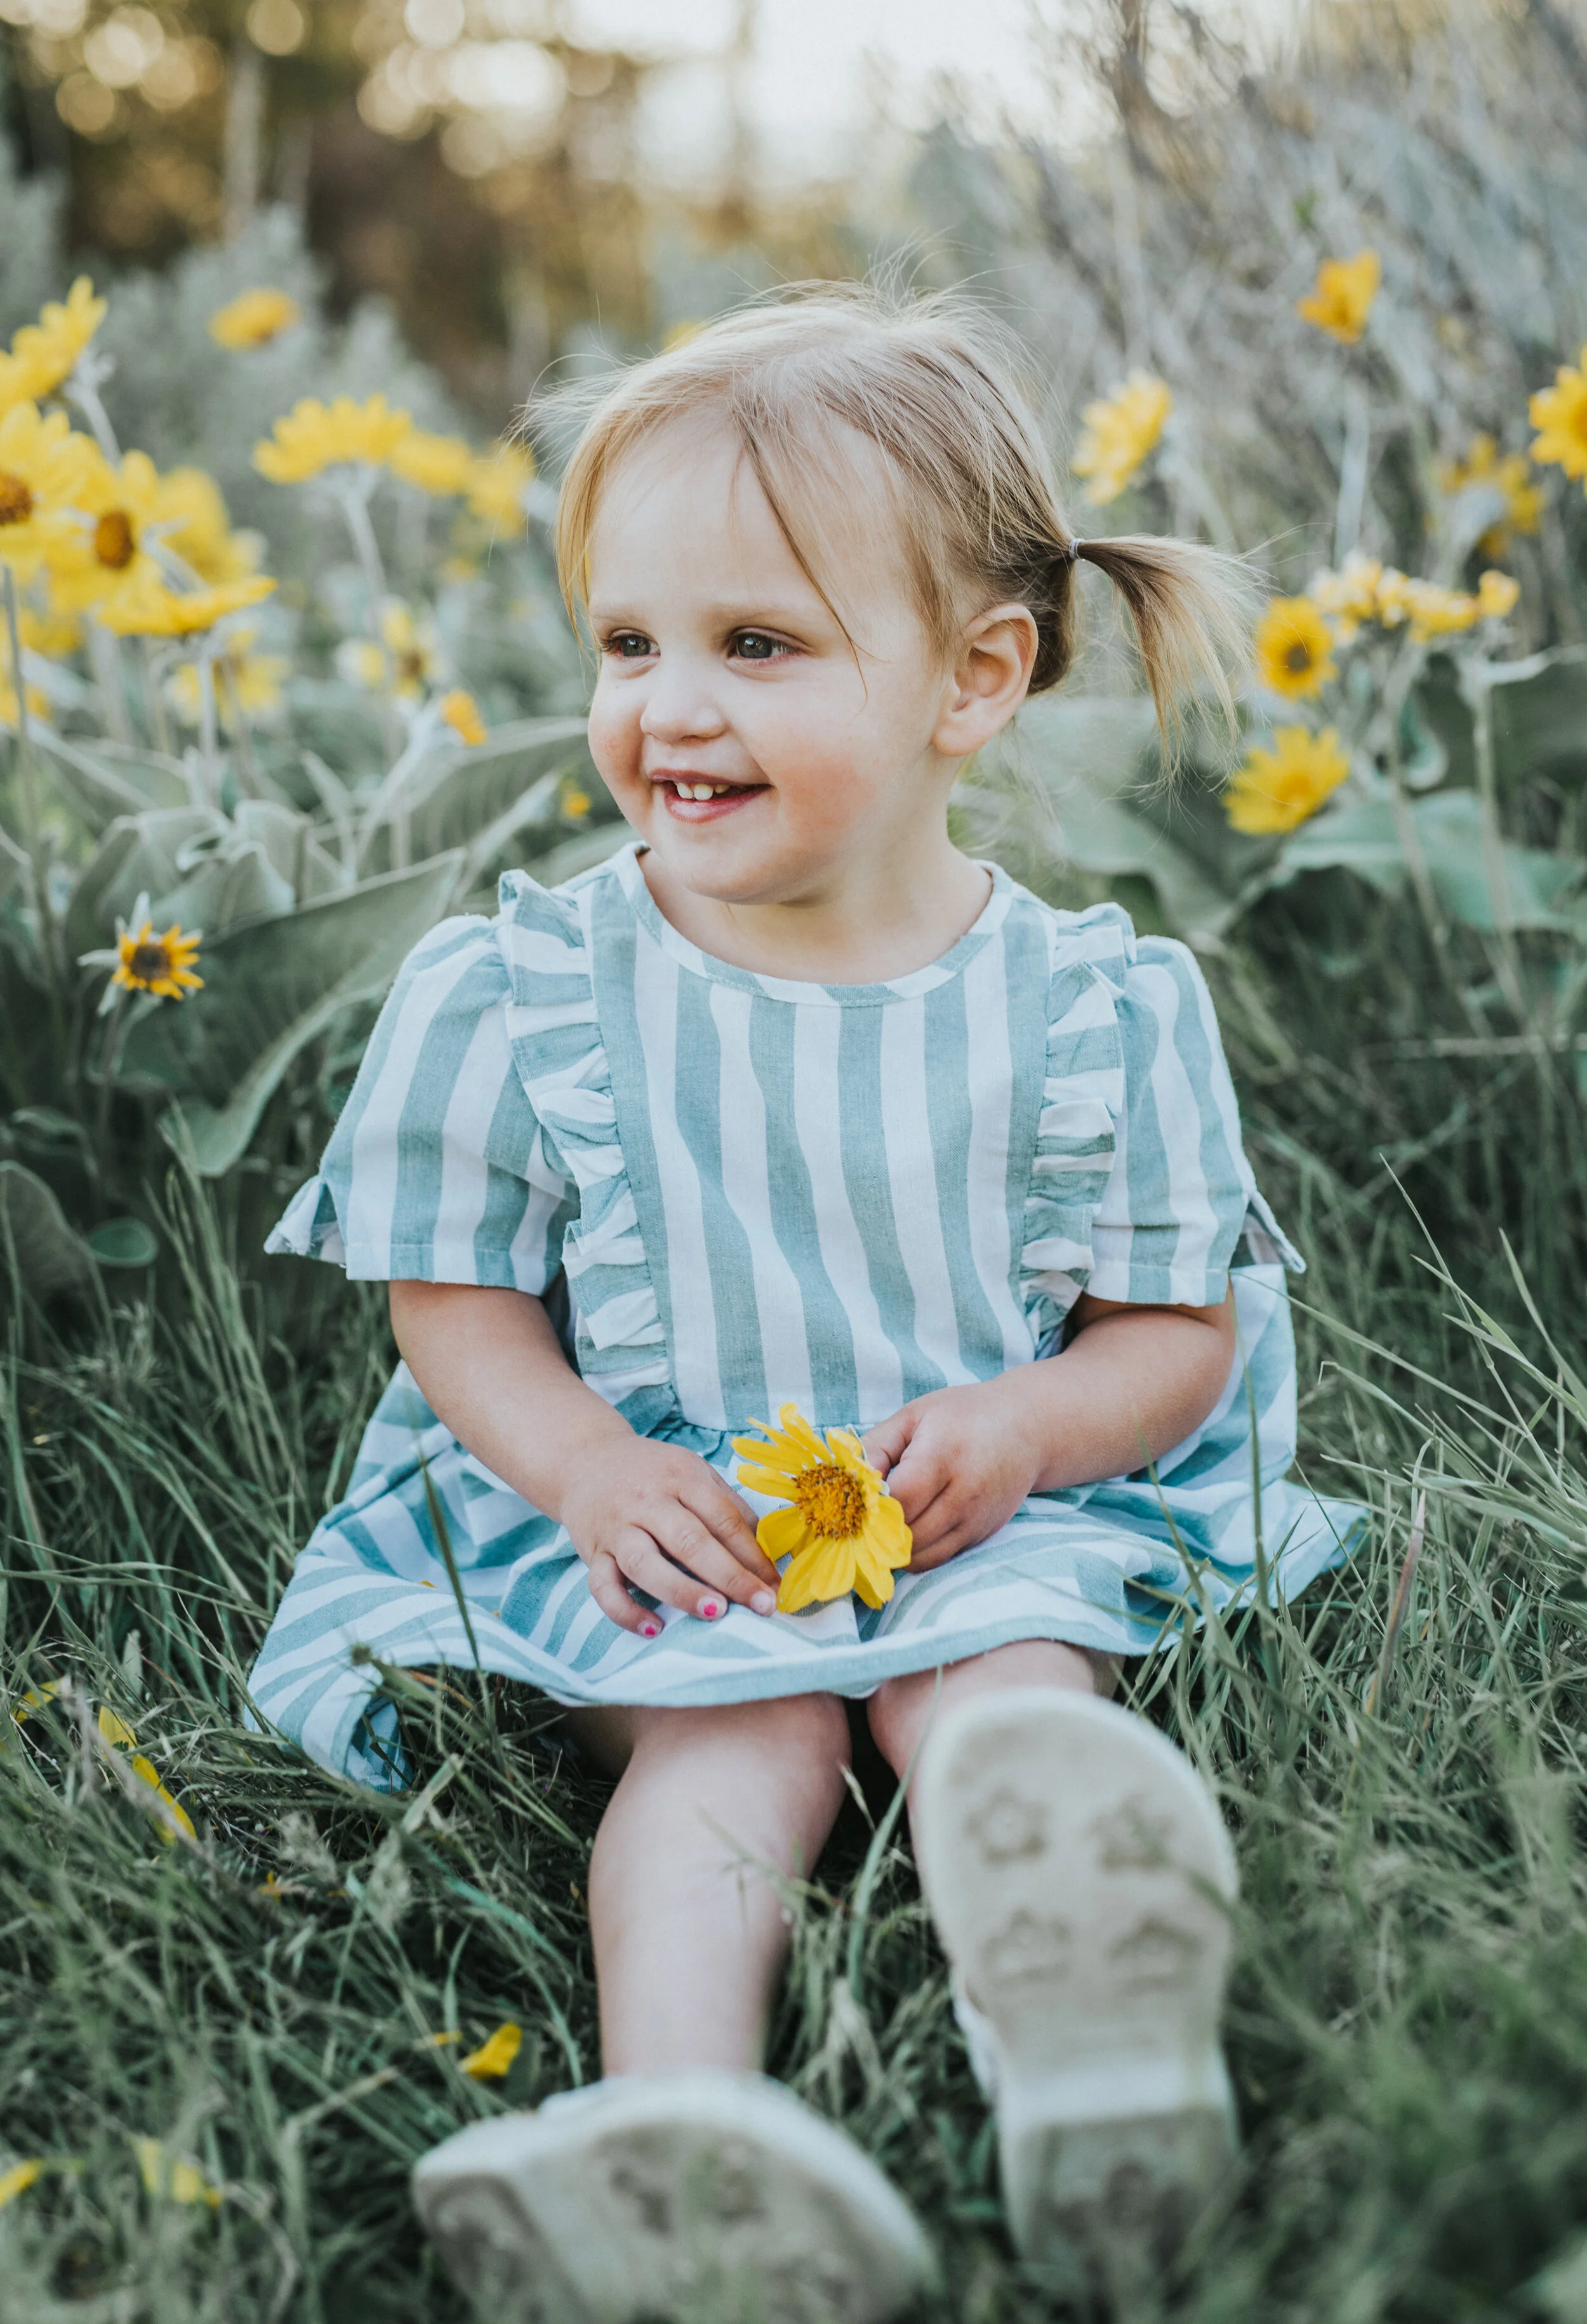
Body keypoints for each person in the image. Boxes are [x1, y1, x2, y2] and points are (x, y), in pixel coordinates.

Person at [253, 284, 1360, 2323]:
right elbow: (454, 1297)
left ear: (974, 677)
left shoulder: (1093, 1009)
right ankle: (686, 2138)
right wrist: (585, 1465)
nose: (668, 705)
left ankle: (1086, 2042)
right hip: (661, 1525)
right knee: (731, 1727)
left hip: (976, 1511)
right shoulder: (534, 989)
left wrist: (1027, 1433)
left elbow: (1170, 1331)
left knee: (998, 1686)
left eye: (753, 645)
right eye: (627, 641)